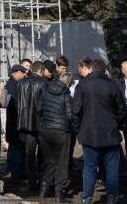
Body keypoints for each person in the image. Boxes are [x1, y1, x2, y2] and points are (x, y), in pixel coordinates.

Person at [72, 58, 126, 204]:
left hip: (90, 134)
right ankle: (112, 196)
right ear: (104, 71)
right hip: (110, 133)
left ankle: (87, 198)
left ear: (92, 69)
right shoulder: (113, 86)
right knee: (111, 167)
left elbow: (76, 111)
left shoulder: (83, 85)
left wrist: (78, 130)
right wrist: (120, 126)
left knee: (89, 167)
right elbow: (122, 110)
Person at [37, 65, 75, 202]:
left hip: (45, 130)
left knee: (49, 161)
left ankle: (43, 191)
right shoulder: (66, 95)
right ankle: (59, 194)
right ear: (68, 83)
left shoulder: (45, 91)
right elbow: (70, 116)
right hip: (61, 131)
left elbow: (39, 109)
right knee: (62, 163)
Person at [16, 60, 48, 191]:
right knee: (44, 154)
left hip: (26, 123)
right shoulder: (43, 83)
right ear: (40, 71)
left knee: (29, 154)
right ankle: (44, 181)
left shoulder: (21, 83)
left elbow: (17, 103)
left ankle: (32, 181)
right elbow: (45, 104)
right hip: (41, 123)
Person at [5, 64, 28, 179]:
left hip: (14, 122)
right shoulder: (12, 86)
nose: (24, 75)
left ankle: (14, 172)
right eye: (22, 72)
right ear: (16, 73)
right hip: (15, 122)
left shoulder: (14, 84)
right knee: (16, 149)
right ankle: (15, 173)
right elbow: (11, 105)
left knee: (15, 148)